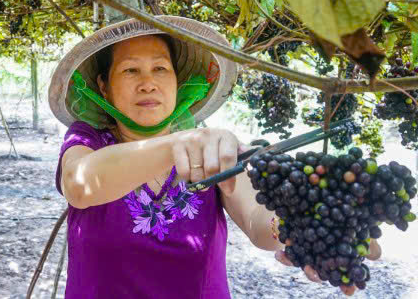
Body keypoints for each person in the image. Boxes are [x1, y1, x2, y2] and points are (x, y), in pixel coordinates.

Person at [47, 16, 380, 298]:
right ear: (104, 86)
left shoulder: (212, 151)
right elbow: (81, 185)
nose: (148, 83)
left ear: (178, 81)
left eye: (161, 69)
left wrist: (298, 227)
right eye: (131, 70)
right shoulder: (87, 139)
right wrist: (181, 143)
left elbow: (258, 221)